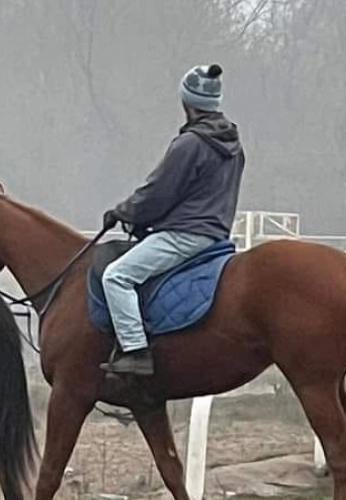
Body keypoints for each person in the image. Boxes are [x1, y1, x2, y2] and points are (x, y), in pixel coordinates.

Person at [99, 64, 245, 378]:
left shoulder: (190, 144)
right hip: (217, 236)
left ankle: (136, 351)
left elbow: (158, 193)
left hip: (185, 234)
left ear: (187, 102)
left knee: (116, 277)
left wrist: (123, 212)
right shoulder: (234, 145)